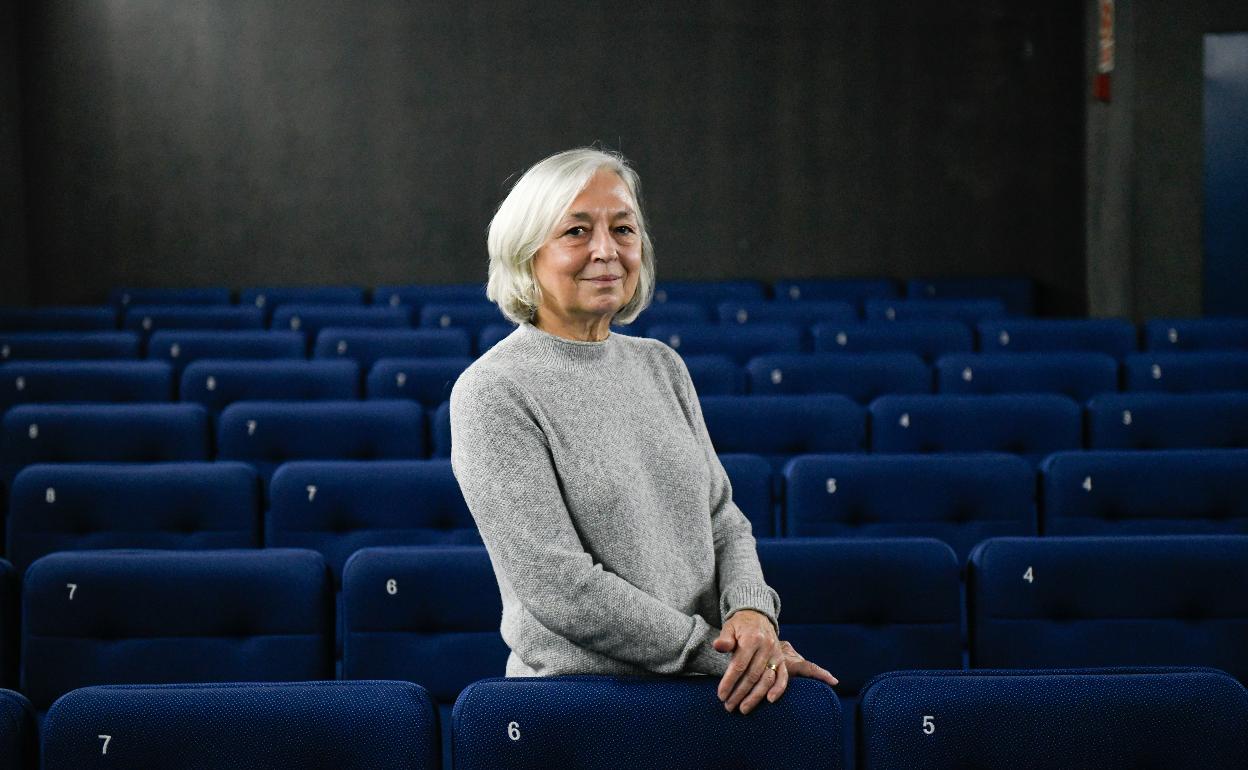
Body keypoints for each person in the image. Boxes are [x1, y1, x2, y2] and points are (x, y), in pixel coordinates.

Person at [450, 147, 837, 716]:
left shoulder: (661, 365)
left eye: (623, 229)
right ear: (527, 253)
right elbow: (562, 590)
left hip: (715, 688)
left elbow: (724, 518)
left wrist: (753, 615)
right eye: (577, 231)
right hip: (583, 705)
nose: (606, 250)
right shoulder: (493, 391)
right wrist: (722, 653)